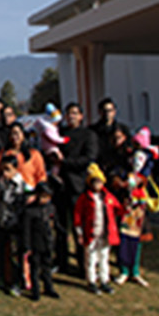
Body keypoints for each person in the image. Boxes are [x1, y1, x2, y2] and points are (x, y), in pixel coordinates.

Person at [55, 102, 100, 274]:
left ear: (81, 116)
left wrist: (64, 163)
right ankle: (61, 262)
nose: (71, 116)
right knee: (60, 228)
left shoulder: (88, 135)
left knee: (79, 228)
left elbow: (88, 158)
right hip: (60, 186)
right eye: (68, 113)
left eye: (75, 113)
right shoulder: (60, 133)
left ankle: (83, 264)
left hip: (78, 186)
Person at [76, 165, 121, 295]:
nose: (97, 185)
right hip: (91, 232)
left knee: (104, 257)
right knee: (90, 258)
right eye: (95, 182)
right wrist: (79, 231)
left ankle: (104, 280)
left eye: (99, 182)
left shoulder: (108, 197)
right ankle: (91, 280)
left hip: (105, 233)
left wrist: (126, 206)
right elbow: (78, 215)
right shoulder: (85, 198)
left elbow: (118, 209)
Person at [0, 155, 27, 296]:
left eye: (8, 170)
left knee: (14, 254)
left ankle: (16, 283)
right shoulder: (0, 182)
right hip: (0, 219)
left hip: (14, 223)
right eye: (3, 169)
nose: (5, 173)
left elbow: (22, 206)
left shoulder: (21, 185)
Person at [20, 182, 61, 301]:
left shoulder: (51, 208)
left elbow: (55, 224)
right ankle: (35, 290)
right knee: (35, 267)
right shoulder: (30, 211)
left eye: (47, 197)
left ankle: (49, 287)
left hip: (48, 242)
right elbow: (26, 230)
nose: (44, 199)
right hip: (35, 244)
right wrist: (27, 246)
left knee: (47, 266)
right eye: (42, 196)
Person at [111, 170, 149, 288]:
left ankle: (135, 271)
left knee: (137, 243)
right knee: (123, 242)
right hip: (125, 212)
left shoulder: (144, 167)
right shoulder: (120, 164)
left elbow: (146, 179)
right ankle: (124, 271)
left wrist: (140, 181)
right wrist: (122, 183)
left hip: (139, 215)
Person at [1, 123, 48, 190]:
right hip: (10, 192)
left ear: (23, 134)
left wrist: (37, 192)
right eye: (11, 134)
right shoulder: (6, 153)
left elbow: (42, 175)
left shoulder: (34, 154)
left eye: (16, 133)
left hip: (30, 190)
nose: (14, 136)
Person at [90, 98, 129, 172]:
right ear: (99, 112)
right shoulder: (93, 130)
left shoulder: (122, 129)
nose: (107, 113)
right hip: (100, 166)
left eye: (110, 110)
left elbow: (129, 148)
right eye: (104, 111)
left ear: (114, 112)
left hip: (119, 166)